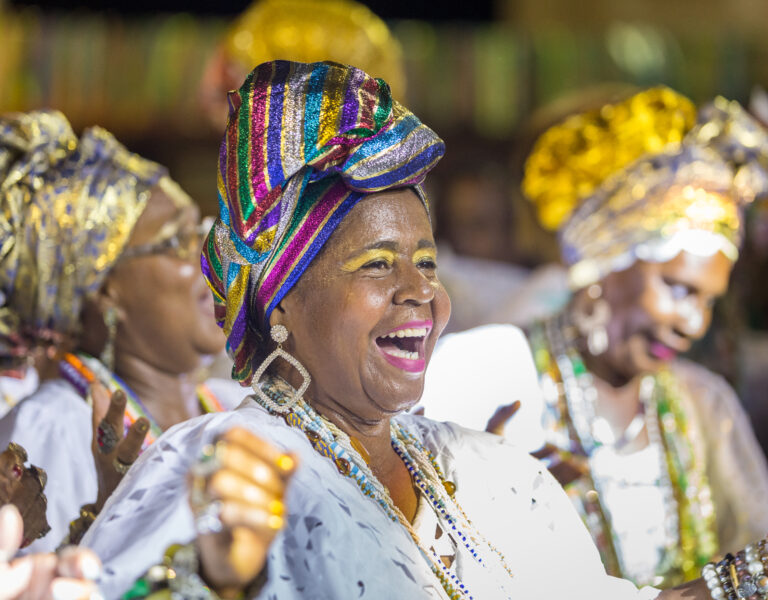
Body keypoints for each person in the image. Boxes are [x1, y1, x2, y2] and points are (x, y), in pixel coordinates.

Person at [81, 60, 750, 600]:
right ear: (279, 301)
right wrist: (222, 579)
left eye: (427, 264)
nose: (420, 293)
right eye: (378, 265)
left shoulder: (481, 467)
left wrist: (741, 581)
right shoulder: (218, 459)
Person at [418, 87, 768, 589]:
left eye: (708, 301)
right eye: (677, 288)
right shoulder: (488, 371)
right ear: (605, 265)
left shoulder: (703, 405)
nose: (694, 323)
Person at [0, 111, 249, 552]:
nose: (213, 253)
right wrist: (105, 512)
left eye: (200, 229)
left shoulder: (236, 407)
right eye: (179, 241)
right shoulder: (50, 430)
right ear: (106, 292)